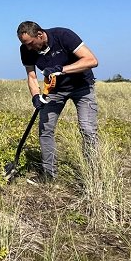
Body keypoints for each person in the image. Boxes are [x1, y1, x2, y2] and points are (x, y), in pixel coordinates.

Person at [17, 21, 99, 182]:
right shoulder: (25, 49)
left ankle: (93, 174)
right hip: (54, 91)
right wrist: (35, 96)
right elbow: (32, 76)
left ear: (40, 35)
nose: (28, 48)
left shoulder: (63, 36)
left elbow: (91, 60)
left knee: (88, 129)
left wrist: (61, 69)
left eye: (31, 43)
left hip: (82, 87)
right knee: (45, 129)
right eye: (24, 44)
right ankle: (49, 175)